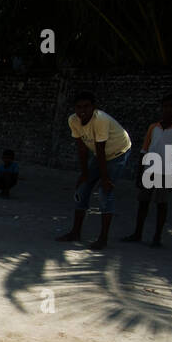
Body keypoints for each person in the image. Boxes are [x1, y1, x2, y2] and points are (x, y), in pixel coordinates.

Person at [55, 91, 133, 250]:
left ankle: (103, 239)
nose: (83, 110)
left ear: (94, 107)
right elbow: (82, 149)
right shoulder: (73, 120)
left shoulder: (100, 120)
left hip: (118, 152)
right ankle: (75, 232)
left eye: (86, 106)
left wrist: (104, 179)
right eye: (79, 107)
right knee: (82, 188)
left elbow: (100, 149)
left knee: (105, 193)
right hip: (100, 154)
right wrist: (84, 174)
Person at [123, 94, 172, 247]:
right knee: (143, 202)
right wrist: (139, 173)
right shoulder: (153, 127)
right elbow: (144, 150)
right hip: (149, 169)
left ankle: (157, 236)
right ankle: (137, 233)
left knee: (161, 204)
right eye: (165, 106)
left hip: (166, 172)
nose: (168, 109)